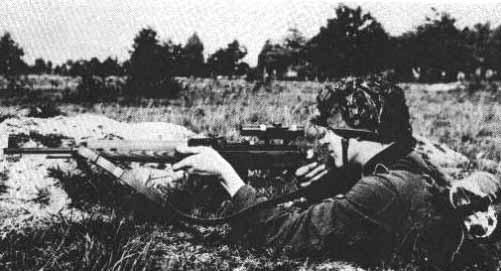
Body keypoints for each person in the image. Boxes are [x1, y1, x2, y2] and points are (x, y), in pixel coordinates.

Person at [78, 76, 500, 269]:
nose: (326, 141)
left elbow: (287, 238)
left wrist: (228, 177)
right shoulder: (409, 163)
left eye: (332, 133)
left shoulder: (384, 189)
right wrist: (330, 181)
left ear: (362, 135)